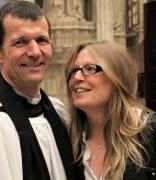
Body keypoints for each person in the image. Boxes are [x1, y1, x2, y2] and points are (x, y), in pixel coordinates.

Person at [0, 1, 82, 180]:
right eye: (20, 42)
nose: (35, 52)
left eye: (41, 40)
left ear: (52, 46)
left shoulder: (59, 113)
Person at [64, 41, 156, 180]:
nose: (76, 77)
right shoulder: (68, 140)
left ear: (117, 77)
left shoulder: (150, 130)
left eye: (90, 69)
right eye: (73, 70)